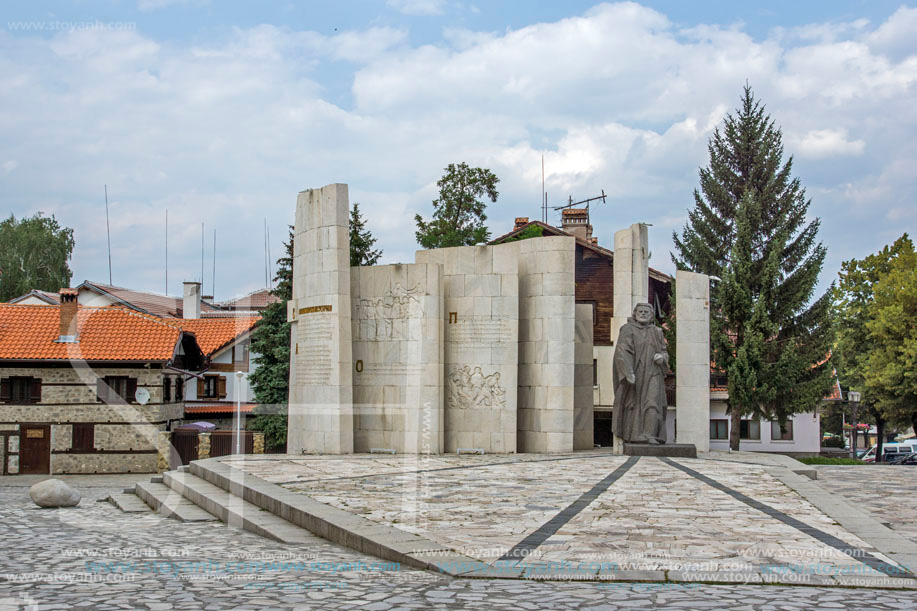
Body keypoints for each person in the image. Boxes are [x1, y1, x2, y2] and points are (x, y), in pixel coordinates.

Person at [612, 302, 670, 445]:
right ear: (635, 314)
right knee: (634, 404)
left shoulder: (657, 332)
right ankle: (635, 435)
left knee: (653, 402)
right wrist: (627, 372)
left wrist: (662, 358)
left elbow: (664, 351)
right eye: (640, 311)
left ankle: (650, 435)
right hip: (636, 374)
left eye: (646, 312)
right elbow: (621, 351)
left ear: (651, 316)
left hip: (653, 373)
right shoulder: (627, 329)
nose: (643, 314)